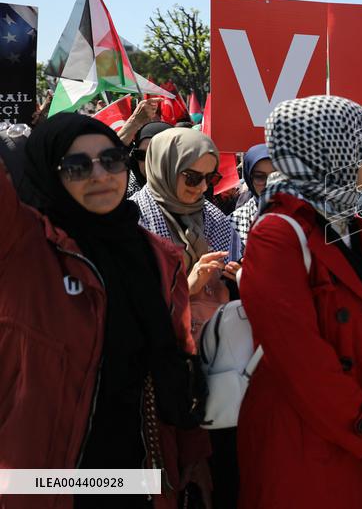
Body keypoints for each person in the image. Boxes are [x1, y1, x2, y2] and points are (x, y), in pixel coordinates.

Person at [0, 113, 211, 508]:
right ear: (48, 172)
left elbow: (178, 358)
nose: (100, 175)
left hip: (134, 477)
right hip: (44, 482)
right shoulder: (21, 245)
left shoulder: (158, 257)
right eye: (77, 166)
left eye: (111, 160)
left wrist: (193, 452)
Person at [238, 96, 362, 509]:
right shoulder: (277, 232)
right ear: (327, 148)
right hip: (308, 439)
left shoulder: (349, 222)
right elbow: (298, 357)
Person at [131, 126, 242, 509]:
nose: (200, 188)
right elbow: (132, 307)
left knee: (223, 474)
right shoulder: (134, 220)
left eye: (209, 178)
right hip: (160, 376)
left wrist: (237, 277)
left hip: (218, 366)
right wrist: (187, 287)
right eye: (191, 177)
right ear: (162, 168)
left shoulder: (216, 220)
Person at [230, 143, 273, 246]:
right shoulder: (234, 222)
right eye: (260, 177)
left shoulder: (306, 215)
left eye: (275, 175)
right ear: (250, 180)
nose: (269, 184)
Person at [125, 120, 171, 197]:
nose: (148, 162)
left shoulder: (193, 190)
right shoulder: (126, 197)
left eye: (155, 155)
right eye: (141, 155)